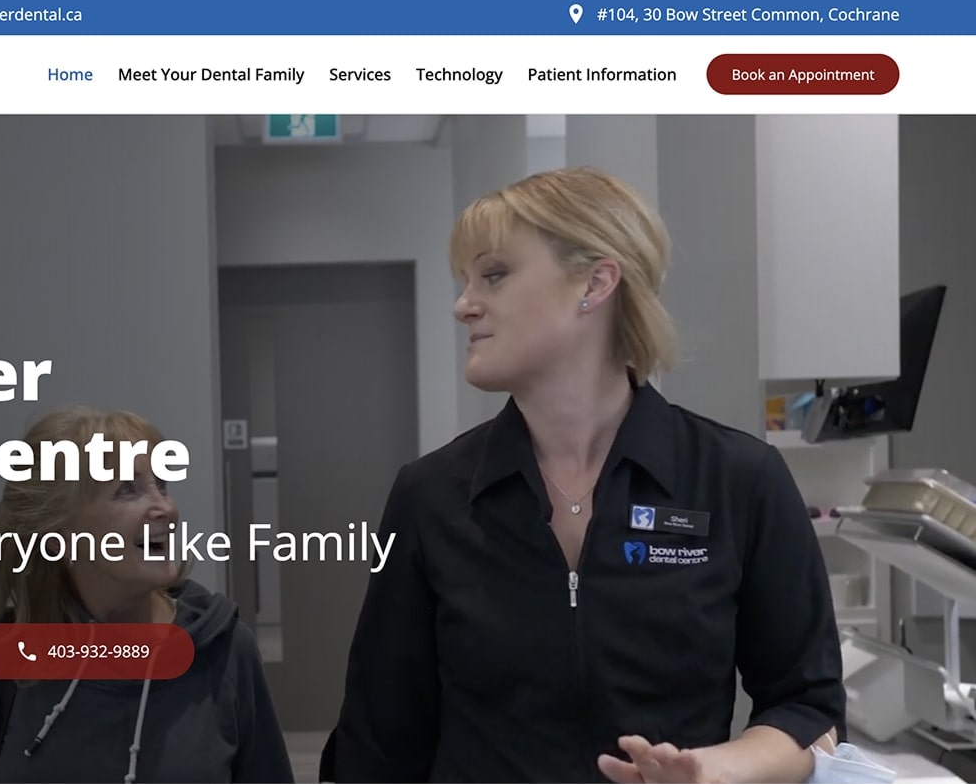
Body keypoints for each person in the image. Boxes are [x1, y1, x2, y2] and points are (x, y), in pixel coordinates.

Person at [326, 167, 846, 783]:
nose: (463, 306)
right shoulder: (430, 495)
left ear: (595, 283)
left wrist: (714, 770)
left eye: (494, 274)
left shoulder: (739, 480)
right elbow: (377, 742)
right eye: (465, 282)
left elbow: (807, 706)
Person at [0, 406, 294, 783]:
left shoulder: (224, 649)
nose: (165, 508)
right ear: (57, 532)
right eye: (128, 490)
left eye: (162, 485)